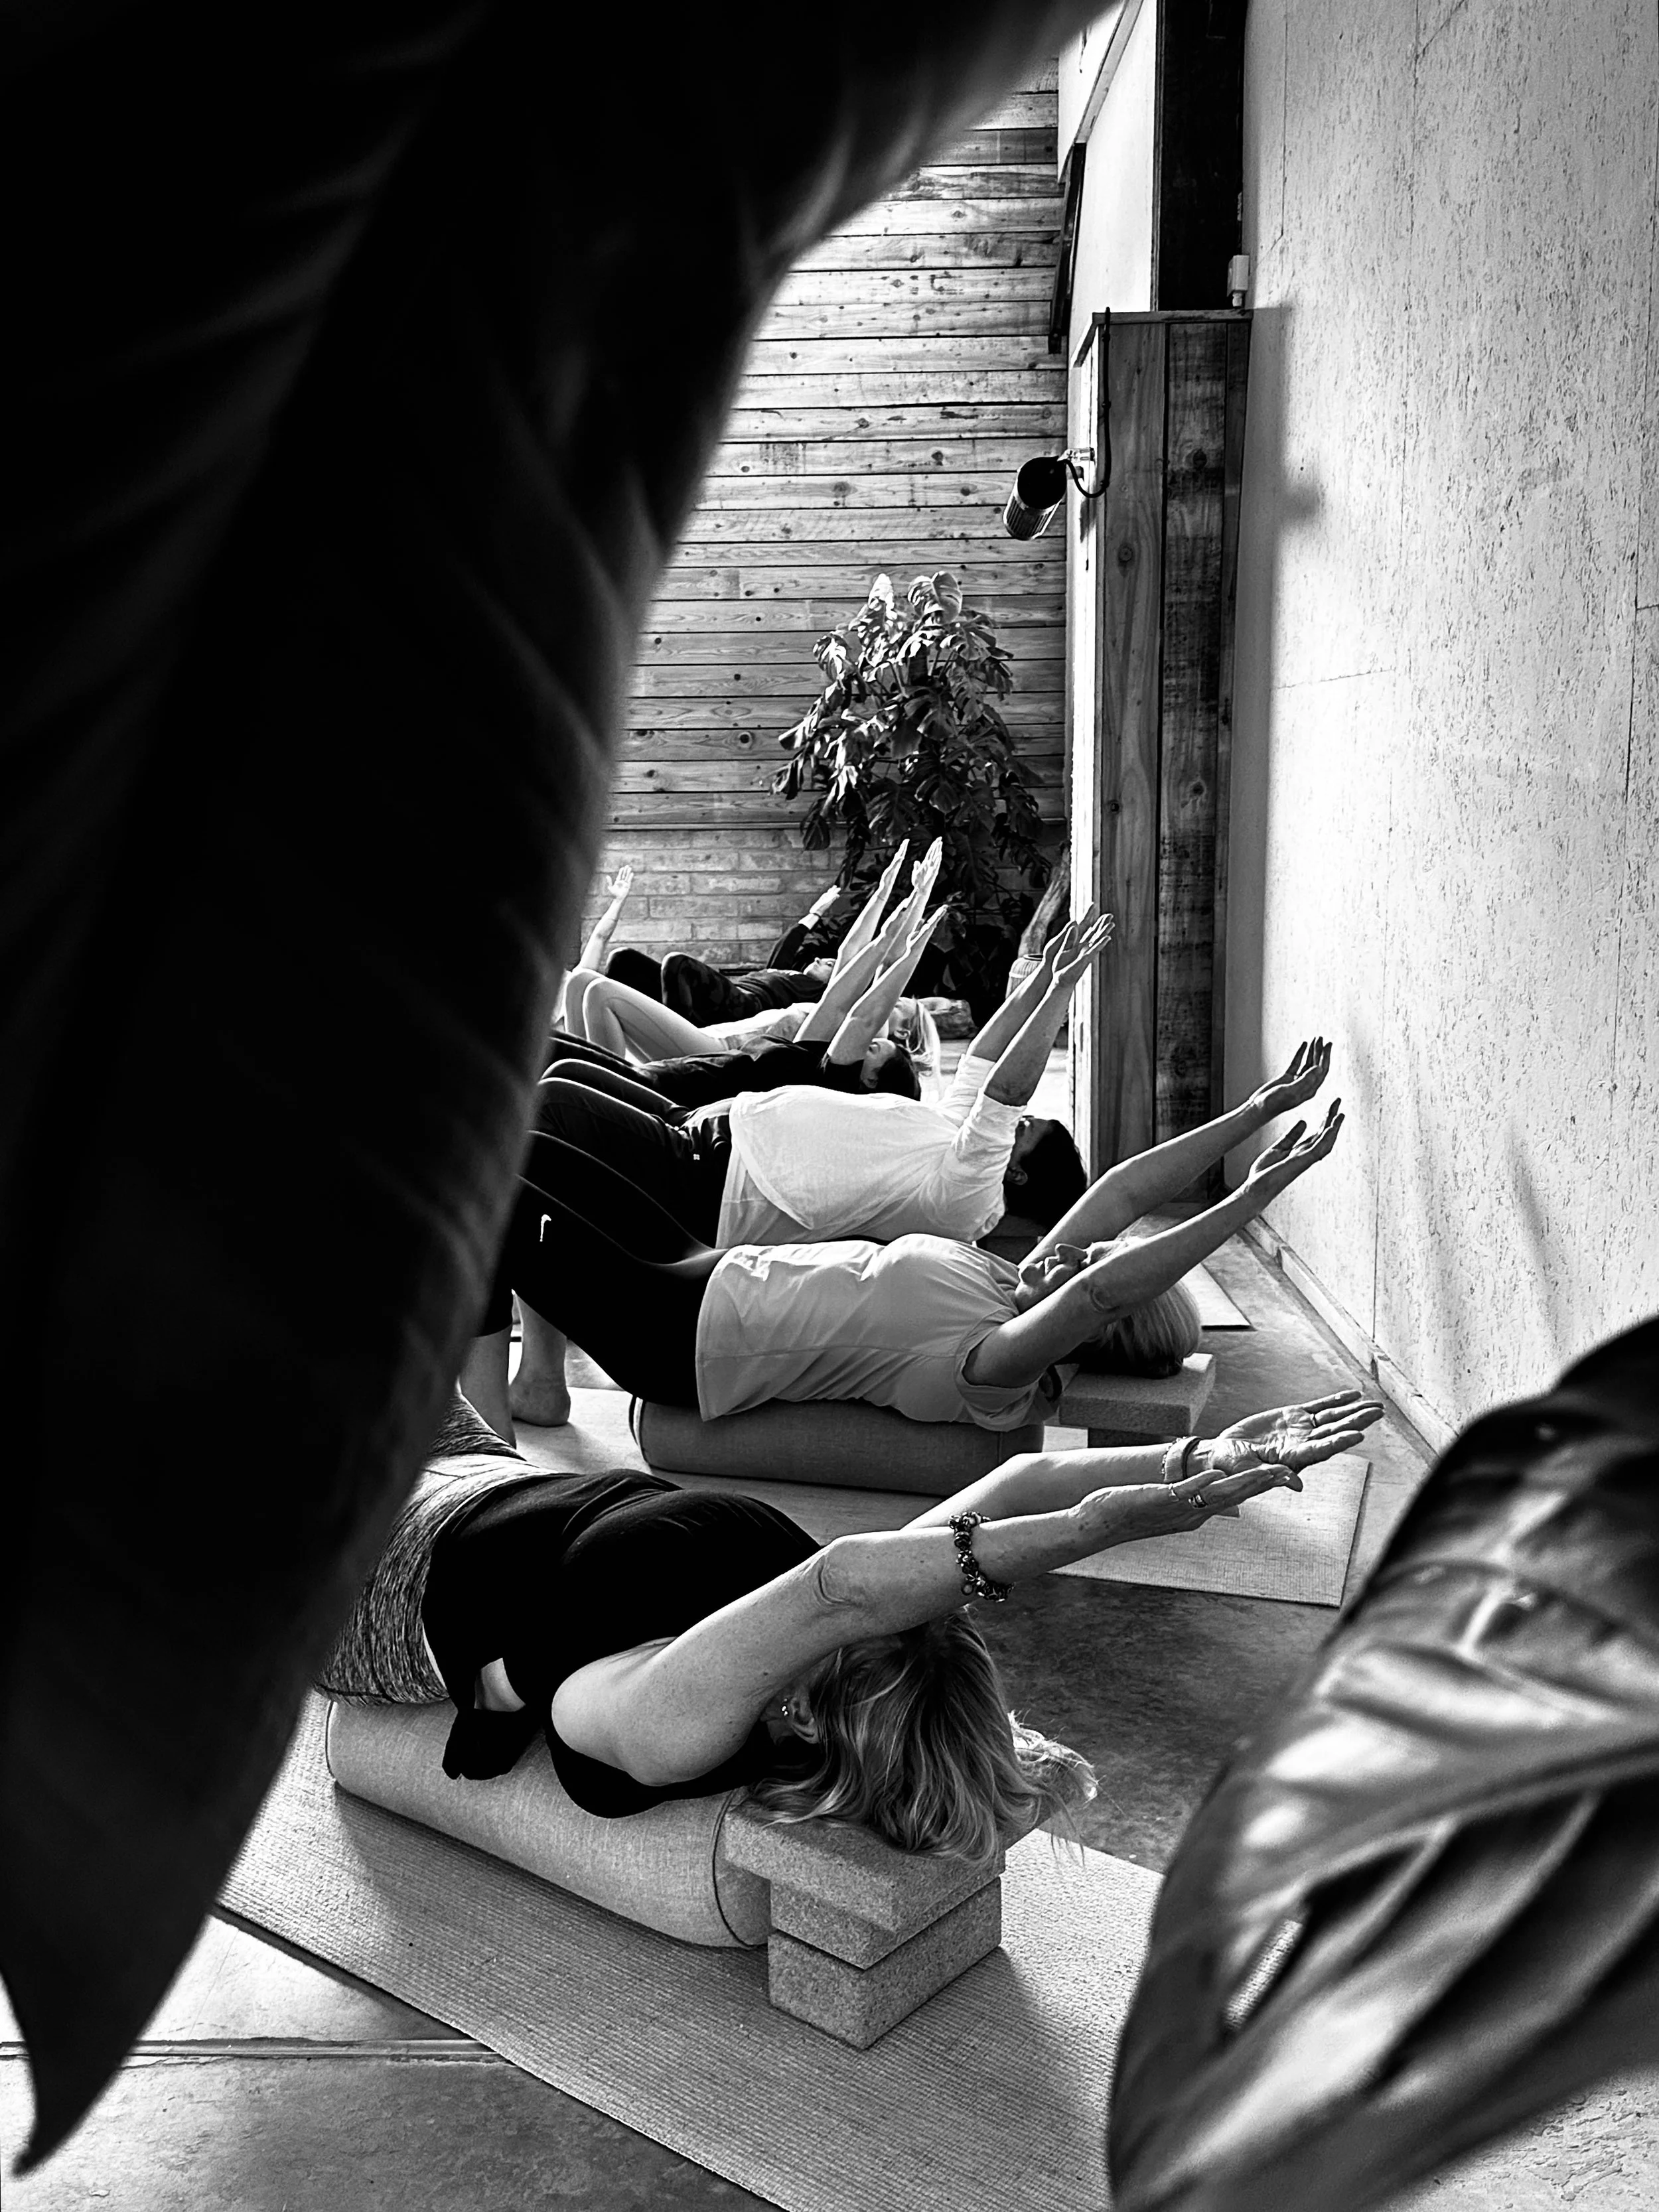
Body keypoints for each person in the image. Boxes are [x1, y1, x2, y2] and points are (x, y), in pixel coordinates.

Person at [321, 1384, 1384, 1867]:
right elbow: (1014, 1482)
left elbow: (844, 1584)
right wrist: (1194, 1463)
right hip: (474, 1467)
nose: (907, 1606)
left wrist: (1090, 1531)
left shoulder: (678, 1727)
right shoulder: (841, 1641)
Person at [461, 1041, 1344, 1446]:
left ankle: (489, 1446)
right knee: (527, 1141)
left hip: (681, 1339)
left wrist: (1254, 1197)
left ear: (1088, 1331)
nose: (1078, 1250)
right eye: (1093, 1248)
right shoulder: (1009, 1278)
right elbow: (1121, 1193)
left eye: (1093, 1262)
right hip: (711, 1268)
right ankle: (530, 1388)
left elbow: (1101, 1290)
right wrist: (1255, 1114)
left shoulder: (1000, 1369)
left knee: (489, 1202)